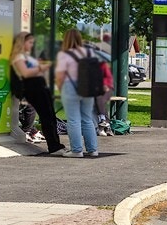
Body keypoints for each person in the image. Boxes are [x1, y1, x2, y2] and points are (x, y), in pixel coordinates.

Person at [10, 32, 65, 154]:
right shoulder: (18, 57)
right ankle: (53, 146)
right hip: (32, 87)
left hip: (39, 86)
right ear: (22, 43)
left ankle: (56, 144)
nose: (32, 45)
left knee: (50, 116)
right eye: (29, 42)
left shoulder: (26, 56)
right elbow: (25, 73)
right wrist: (41, 67)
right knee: (46, 116)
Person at [54, 28, 100, 158]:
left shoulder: (64, 54)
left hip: (70, 87)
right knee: (87, 118)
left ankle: (76, 150)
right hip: (88, 88)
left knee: (73, 120)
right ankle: (93, 149)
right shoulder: (89, 52)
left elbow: (59, 75)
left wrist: (60, 87)